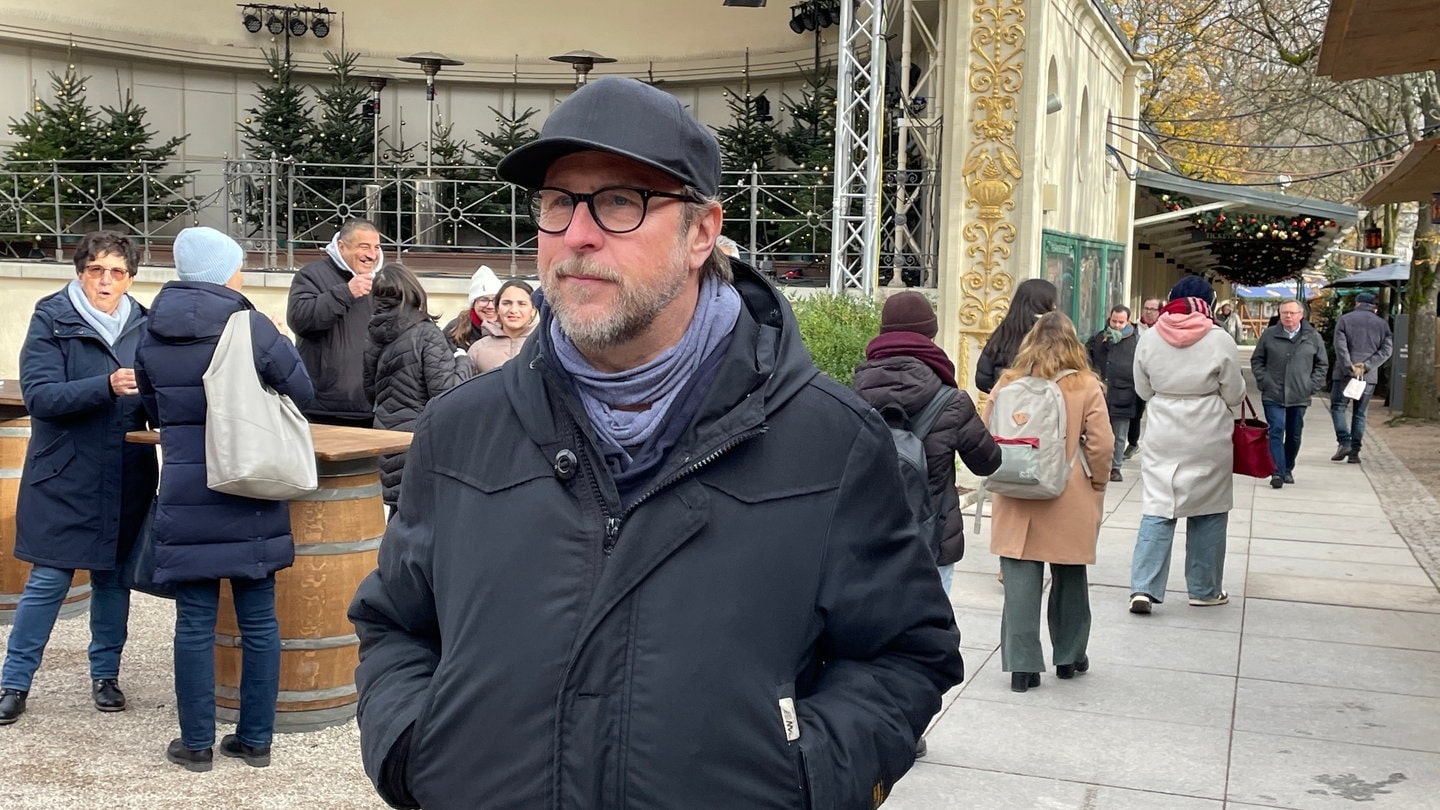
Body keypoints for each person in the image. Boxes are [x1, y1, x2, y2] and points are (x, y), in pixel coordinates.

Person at [348, 76, 963, 810]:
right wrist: (415, 751)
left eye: (619, 201)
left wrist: (804, 781)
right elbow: (395, 625)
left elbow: (905, 652)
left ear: (702, 232)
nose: (576, 234)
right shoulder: (459, 431)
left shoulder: (831, 443)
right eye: (556, 202)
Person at [134, 227, 314, 772]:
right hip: (248, 487)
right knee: (259, 619)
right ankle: (255, 740)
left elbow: (154, 410)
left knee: (193, 621)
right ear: (222, 271)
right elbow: (303, 393)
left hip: (187, 490)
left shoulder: (150, 329)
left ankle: (195, 746)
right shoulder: (248, 324)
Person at [0, 231, 158, 726]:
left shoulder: (146, 324)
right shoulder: (52, 318)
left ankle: (105, 676)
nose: (105, 281)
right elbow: (41, 396)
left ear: (130, 278)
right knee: (48, 580)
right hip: (65, 472)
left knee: (114, 581)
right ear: (79, 272)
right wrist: (106, 385)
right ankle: (14, 682)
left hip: (126, 472)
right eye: (96, 270)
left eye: (117, 272)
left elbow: (157, 399)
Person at [985, 312, 1111, 693]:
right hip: (1068, 490)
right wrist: (1098, 482)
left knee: (1021, 579)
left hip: (1017, 485)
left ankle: (1023, 667)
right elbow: (1102, 444)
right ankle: (1069, 657)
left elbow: (987, 429)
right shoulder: (1086, 385)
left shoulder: (1008, 381)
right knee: (1070, 575)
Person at [853, 291, 1003, 597]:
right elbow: (987, 462)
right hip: (932, 537)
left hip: (870, 537)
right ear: (930, 335)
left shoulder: (853, 395)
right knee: (933, 637)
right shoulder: (951, 401)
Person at [1128, 277, 1245, 615]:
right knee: (1209, 509)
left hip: (1165, 427)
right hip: (1207, 430)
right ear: (1208, 302)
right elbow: (1235, 392)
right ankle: (1205, 589)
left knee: (1158, 506)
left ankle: (1143, 588)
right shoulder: (1219, 338)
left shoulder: (1149, 338)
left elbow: (1143, 388)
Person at [364, 263, 473, 508]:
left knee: (397, 516)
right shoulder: (427, 334)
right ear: (413, 291)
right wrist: (463, 360)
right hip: (420, 439)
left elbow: (370, 391)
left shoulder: (372, 336)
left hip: (384, 435)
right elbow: (446, 393)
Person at [286, 218, 382, 428]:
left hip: (372, 408)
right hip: (324, 407)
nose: (372, 255)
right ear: (341, 246)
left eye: (376, 247)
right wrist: (346, 292)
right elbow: (300, 319)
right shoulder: (311, 275)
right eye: (363, 247)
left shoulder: (382, 281)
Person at [1251, 299, 1328, 488]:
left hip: (1299, 394)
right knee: (1276, 430)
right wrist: (1265, 380)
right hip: (1273, 393)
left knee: (1294, 434)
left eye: (1292, 313)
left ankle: (1288, 468)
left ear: (1301, 315)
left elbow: (1322, 364)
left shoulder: (1312, 337)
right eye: (1284, 313)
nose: (1287, 316)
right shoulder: (1269, 335)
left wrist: (1311, 385)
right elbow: (1257, 361)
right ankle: (1277, 471)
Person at [1329, 292, 1393, 465]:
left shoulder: (1345, 320)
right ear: (1374, 306)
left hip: (1345, 372)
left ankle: (1344, 442)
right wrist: (1367, 366)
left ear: (1357, 303)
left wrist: (1349, 365)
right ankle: (1355, 452)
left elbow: (1340, 346)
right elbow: (1386, 350)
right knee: (1360, 413)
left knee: (1338, 407)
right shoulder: (1382, 324)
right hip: (1368, 376)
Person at [974, 278, 1058, 393]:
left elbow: (982, 379)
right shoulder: (1050, 333)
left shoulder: (1002, 333)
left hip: (1005, 404)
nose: (1055, 307)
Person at [1085, 304, 1139, 482]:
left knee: (1119, 435)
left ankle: (1115, 467)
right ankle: (1096, 465)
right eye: (1114, 321)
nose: (1116, 325)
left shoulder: (1135, 341)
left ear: (1128, 321)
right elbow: (1087, 359)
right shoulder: (1099, 338)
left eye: (1121, 322)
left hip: (1124, 393)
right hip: (1099, 393)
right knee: (1096, 432)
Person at [467, 279, 538, 373]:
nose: (513, 310)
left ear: (533, 310)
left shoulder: (544, 345)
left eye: (522, 304)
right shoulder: (478, 350)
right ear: (497, 308)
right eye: (506, 303)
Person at [1125, 297, 1163, 458]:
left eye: (1152, 309)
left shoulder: (1165, 329)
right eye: (1146, 308)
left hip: (1159, 377)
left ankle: (1159, 445)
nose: (1148, 311)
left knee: (1159, 413)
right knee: (1136, 411)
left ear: (1160, 311)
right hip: (1138, 375)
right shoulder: (1134, 329)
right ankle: (1133, 442)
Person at [443, 265, 501, 352]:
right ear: (473, 304)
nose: (490, 306)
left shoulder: (510, 326)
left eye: (495, 300)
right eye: (483, 300)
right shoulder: (454, 329)